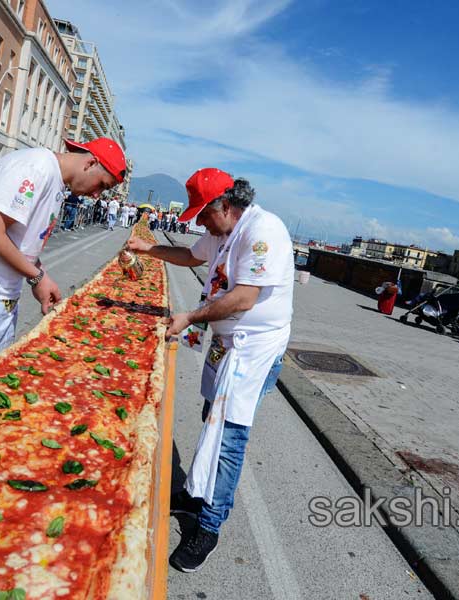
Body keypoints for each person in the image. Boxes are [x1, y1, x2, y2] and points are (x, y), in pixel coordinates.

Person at [126, 168, 294, 572]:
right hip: (225, 343)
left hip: (254, 348)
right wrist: (147, 250)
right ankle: (196, 493)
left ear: (226, 205)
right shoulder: (221, 231)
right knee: (210, 417)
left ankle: (209, 524)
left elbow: (242, 298)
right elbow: (189, 257)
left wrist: (190, 316)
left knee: (230, 435)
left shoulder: (262, 230)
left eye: (204, 213)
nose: (199, 221)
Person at [0, 136, 127, 387]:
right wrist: (36, 277)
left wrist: (40, 274)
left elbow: (21, 242)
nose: (97, 194)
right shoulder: (37, 167)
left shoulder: (54, 178)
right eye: (102, 184)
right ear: (90, 163)